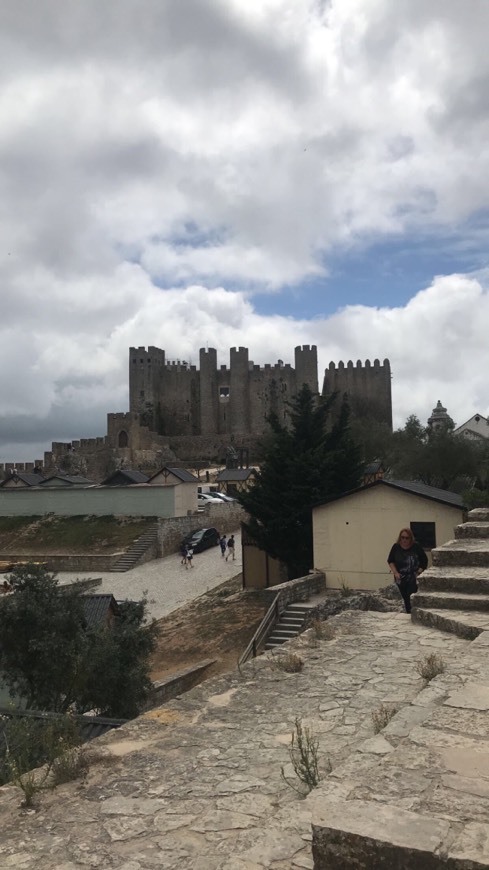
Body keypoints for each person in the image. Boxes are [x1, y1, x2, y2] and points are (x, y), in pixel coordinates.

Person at [387, 528, 428, 614]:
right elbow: (390, 561)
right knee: (402, 599)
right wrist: (395, 572)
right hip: (400, 577)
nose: (404, 540)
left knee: (411, 598)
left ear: (410, 538)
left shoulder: (416, 547)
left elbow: (424, 561)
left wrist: (418, 572)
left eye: (407, 538)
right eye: (402, 537)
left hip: (413, 577)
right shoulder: (396, 547)